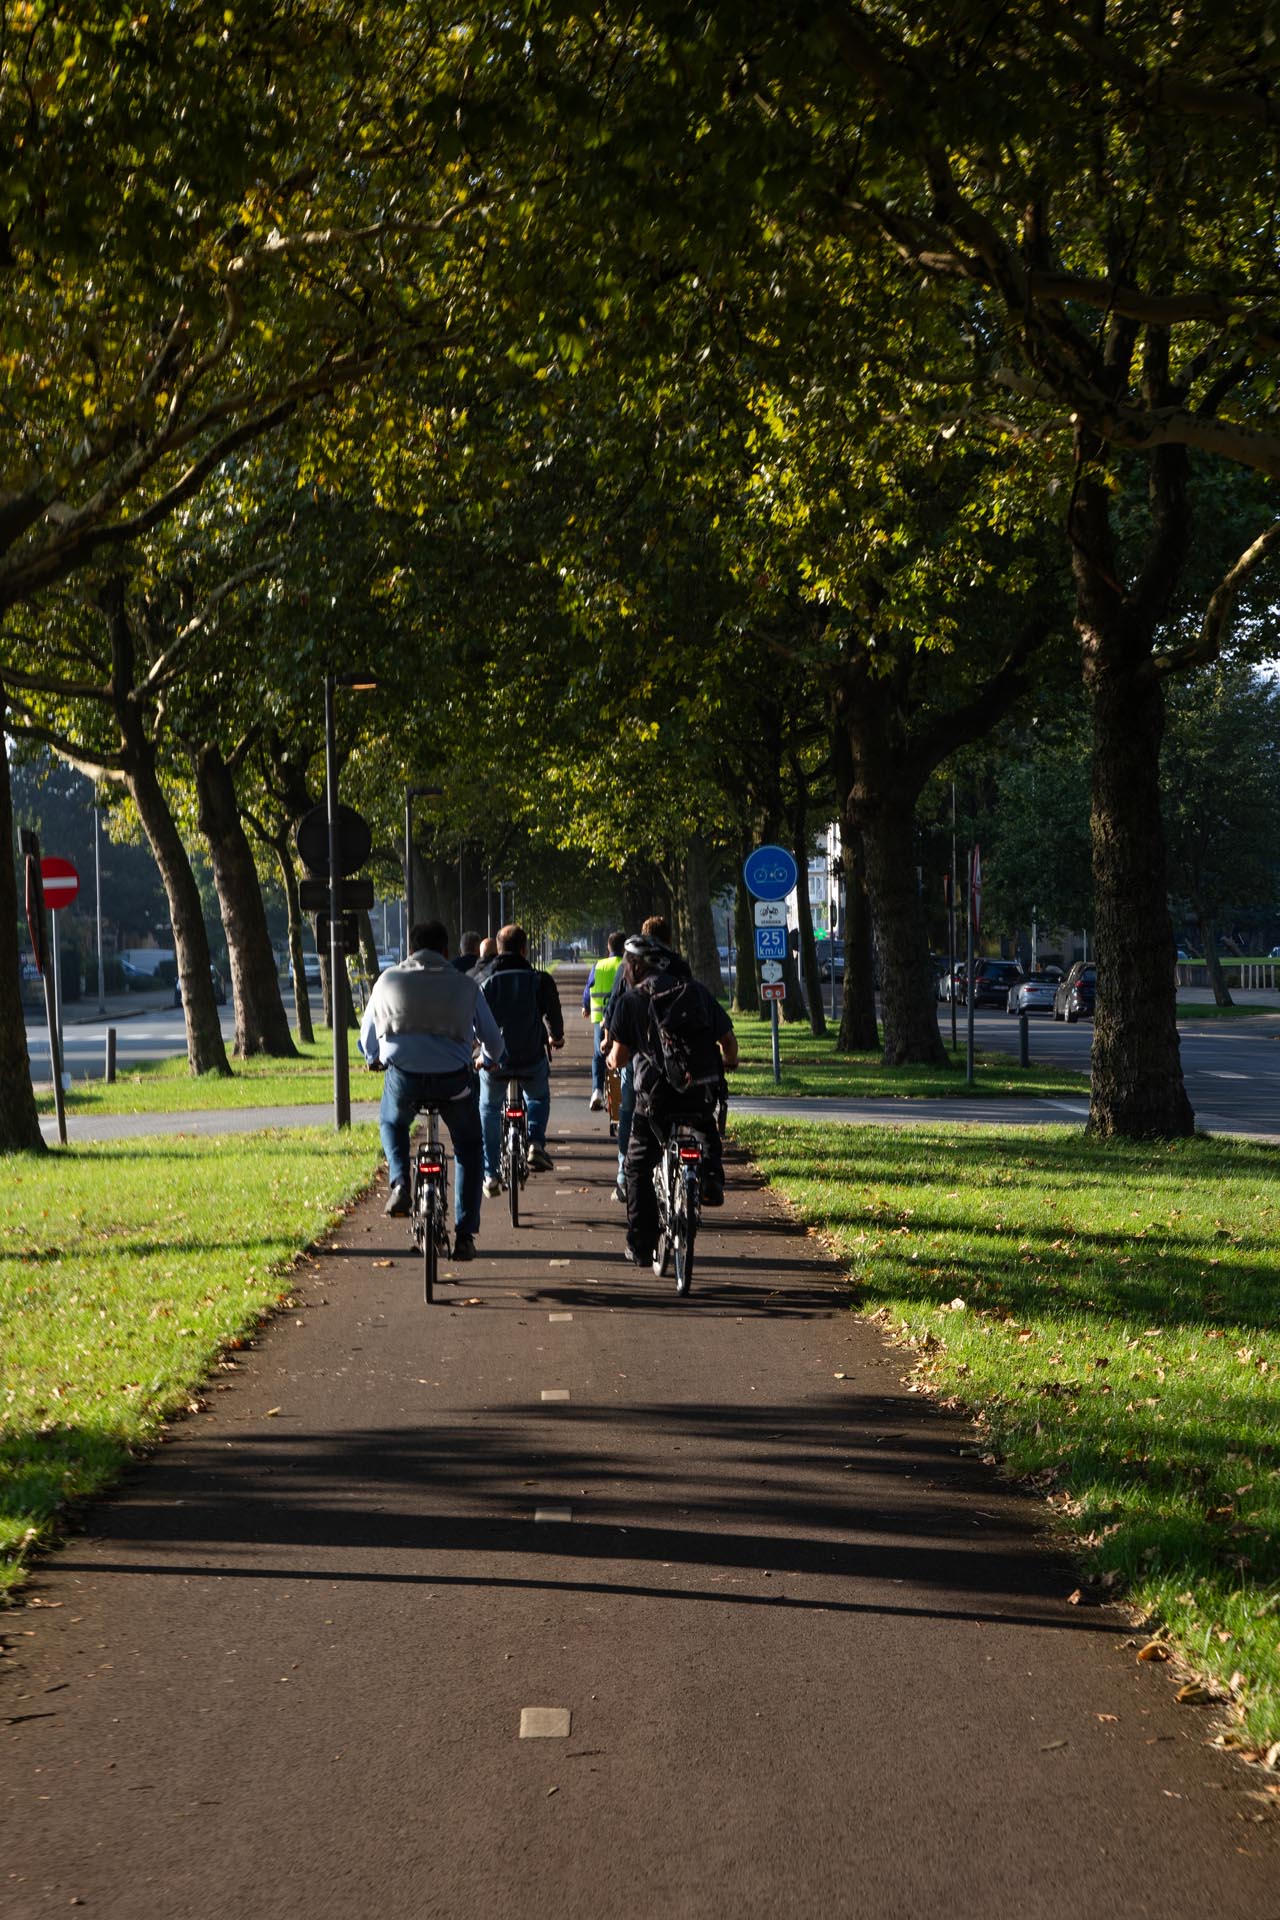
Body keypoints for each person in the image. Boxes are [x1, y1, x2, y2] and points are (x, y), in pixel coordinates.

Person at [358, 920, 503, 1261]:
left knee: (392, 1123)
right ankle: (465, 1233)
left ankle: (399, 1183)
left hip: (405, 1078)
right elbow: (493, 1042)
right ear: (446, 952)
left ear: (409, 950)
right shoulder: (467, 987)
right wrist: (489, 1059)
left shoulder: (387, 981)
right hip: (453, 1081)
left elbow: (367, 1040)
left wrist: (374, 1059)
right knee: (468, 1147)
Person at [607, 933, 738, 1266]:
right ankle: (709, 1179)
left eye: (627, 964)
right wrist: (729, 1062)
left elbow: (620, 1058)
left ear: (636, 966)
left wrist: (610, 1061)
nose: (624, 970)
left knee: (637, 1167)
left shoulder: (630, 1002)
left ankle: (641, 1243)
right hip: (700, 1091)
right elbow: (728, 1040)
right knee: (705, 1127)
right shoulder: (695, 991)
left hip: (654, 1100)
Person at [478, 923, 565, 1191]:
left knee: (490, 1109)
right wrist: (556, 1037)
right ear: (525, 950)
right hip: (530, 1056)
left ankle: (490, 1172)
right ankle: (535, 1142)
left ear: (498, 948)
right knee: (538, 1096)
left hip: (496, 1060)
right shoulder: (539, 979)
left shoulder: (484, 980)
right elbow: (552, 1015)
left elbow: (474, 1021)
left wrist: (477, 1051)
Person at [581, 931, 625, 1110]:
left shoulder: (598, 966)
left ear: (608, 947)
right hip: (622, 1019)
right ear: (624, 948)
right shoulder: (626, 965)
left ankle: (597, 1091)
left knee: (599, 1056)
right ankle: (624, 1091)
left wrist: (586, 1006)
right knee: (624, 1056)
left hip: (601, 1020)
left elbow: (588, 988)